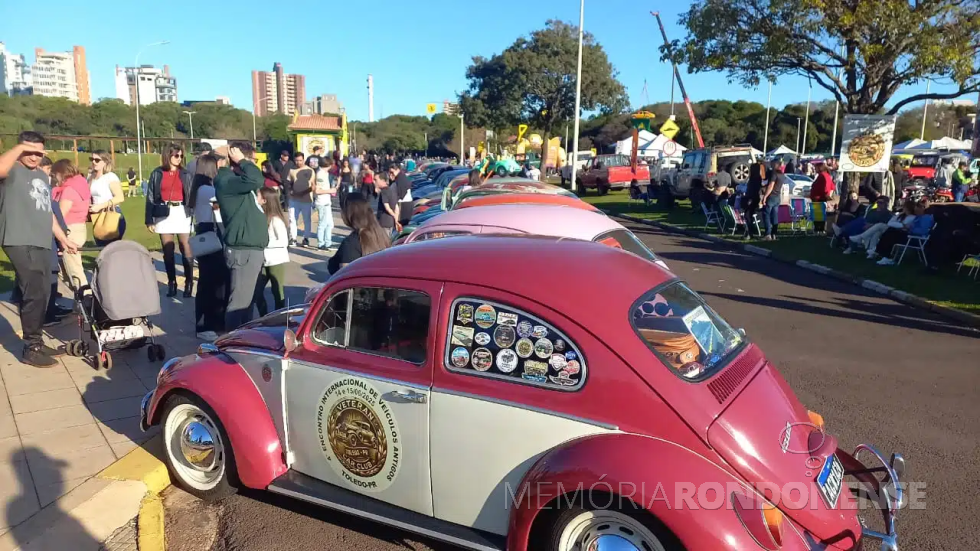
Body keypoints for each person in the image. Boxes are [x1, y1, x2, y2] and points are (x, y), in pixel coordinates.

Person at [0, 131, 77, 367]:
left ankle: (37, 340)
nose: (34, 157)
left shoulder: (43, 178)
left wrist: (63, 238)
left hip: (42, 240)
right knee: (33, 289)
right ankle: (31, 348)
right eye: (29, 152)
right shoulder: (11, 169)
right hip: (18, 238)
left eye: (38, 152)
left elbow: (48, 213)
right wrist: (20, 149)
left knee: (44, 292)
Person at [214, 141, 267, 330]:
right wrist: (242, 161)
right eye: (251, 160)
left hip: (250, 249)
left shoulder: (235, 182)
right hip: (243, 251)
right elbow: (256, 179)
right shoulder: (227, 181)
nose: (253, 164)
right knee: (239, 305)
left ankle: (244, 339)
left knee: (246, 304)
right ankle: (230, 343)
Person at [145, 144, 194, 298]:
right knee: (168, 250)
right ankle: (171, 282)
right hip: (163, 212)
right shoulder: (157, 173)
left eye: (181, 156)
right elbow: (151, 197)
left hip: (181, 211)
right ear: (168, 156)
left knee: (186, 248)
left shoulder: (186, 174)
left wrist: (194, 214)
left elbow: (191, 195)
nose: (179, 159)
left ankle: (189, 282)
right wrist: (149, 220)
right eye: (176, 156)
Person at [188, 153, 227, 341]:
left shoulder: (199, 188)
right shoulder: (207, 189)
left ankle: (211, 321)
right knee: (210, 282)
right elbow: (222, 205)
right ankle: (205, 324)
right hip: (210, 232)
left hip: (204, 231)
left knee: (210, 281)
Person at [49, 159, 91, 290]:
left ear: (61, 173)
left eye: (54, 174)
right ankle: (79, 304)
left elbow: (60, 214)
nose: (54, 178)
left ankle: (86, 300)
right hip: (78, 228)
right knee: (68, 270)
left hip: (70, 230)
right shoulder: (80, 184)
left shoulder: (69, 190)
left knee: (74, 271)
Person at [327, 194, 391, 275]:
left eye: (342, 210)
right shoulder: (380, 234)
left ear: (349, 214)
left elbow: (346, 278)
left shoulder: (351, 243)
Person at [252, 187, 290, 317]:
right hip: (263, 260)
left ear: (265, 200)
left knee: (277, 291)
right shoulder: (260, 216)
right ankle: (264, 316)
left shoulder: (276, 220)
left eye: (258, 196)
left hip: (275, 260)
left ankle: (280, 317)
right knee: (257, 291)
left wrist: (264, 243)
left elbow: (284, 241)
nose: (256, 199)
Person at [847, 199, 917, 259]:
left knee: (880, 225)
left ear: (908, 208)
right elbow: (890, 223)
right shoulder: (900, 215)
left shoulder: (912, 217)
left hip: (896, 233)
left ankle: (861, 238)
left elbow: (901, 226)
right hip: (890, 230)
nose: (903, 208)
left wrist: (899, 225)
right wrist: (901, 225)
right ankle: (872, 251)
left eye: (904, 207)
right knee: (877, 232)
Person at [876, 199, 934, 265]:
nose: (915, 209)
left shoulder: (926, 218)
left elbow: (922, 231)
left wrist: (909, 228)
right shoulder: (919, 217)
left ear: (923, 208)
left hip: (916, 239)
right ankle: (883, 254)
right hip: (910, 236)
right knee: (891, 231)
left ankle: (885, 255)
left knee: (892, 233)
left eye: (917, 207)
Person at [88, 150, 126, 245]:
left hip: (111, 214)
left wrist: (100, 206)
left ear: (105, 162)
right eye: (91, 159)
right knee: (101, 249)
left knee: (110, 250)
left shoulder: (110, 177)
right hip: (97, 215)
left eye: (97, 160)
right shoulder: (91, 177)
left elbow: (120, 198)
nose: (93, 162)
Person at [286, 151, 315, 247]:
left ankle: (306, 238)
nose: (298, 162)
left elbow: (313, 185)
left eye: (300, 160)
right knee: (292, 219)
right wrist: (290, 192)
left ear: (304, 160)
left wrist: (306, 192)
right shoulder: (291, 170)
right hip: (294, 200)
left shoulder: (310, 170)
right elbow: (289, 183)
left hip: (306, 200)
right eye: (297, 160)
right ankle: (293, 238)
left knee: (307, 219)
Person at [314, 159, 337, 250]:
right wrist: (330, 191)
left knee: (330, 224)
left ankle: (328, 243)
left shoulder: (325, 174)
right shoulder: (320, 174)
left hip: (327, 202)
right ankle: (321, 244)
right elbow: (317, 190)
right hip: (322, 203)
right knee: (322, 224)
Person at [760, 164, 787, 240]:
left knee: (766, 214)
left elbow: (771, 186)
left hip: (771, 196)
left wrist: (765, 196)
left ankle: (768, 234)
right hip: (777, 197)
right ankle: (774, 234)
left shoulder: (774, 174)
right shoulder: (782, 175)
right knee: (775, 215)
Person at [742, 160, 766, 238]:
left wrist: (750, 199)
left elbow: (753, 190)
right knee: (749, 215)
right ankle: (749, 231)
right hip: (754, 198)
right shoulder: (757, 178)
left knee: (748, 215)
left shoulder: (754, 179)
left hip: (751, 198)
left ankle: (749, 232)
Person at [389, 163, 413, 227]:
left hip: (403, 205)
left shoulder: (400, 179)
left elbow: (400, 194)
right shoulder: (401, 177)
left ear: (397, 170)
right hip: (406, 204)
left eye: (392, 172)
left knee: (400, 224)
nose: (391, 174)